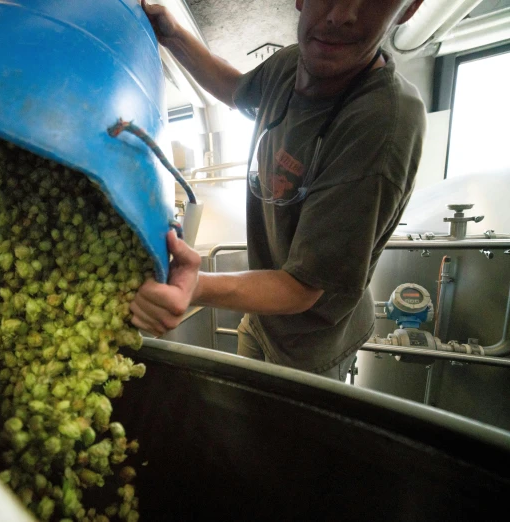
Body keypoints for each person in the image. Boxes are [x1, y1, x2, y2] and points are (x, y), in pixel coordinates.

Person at [132, 0, 427, 381]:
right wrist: (174, 37)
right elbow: (236, 88)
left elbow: (300, 289)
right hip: (263, 314)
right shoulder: (292, 63)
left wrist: (195, 285)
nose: (342, 15)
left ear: (408, 8)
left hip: (312, 342)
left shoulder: (382, 124)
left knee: (283, 437)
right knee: (245, 412)